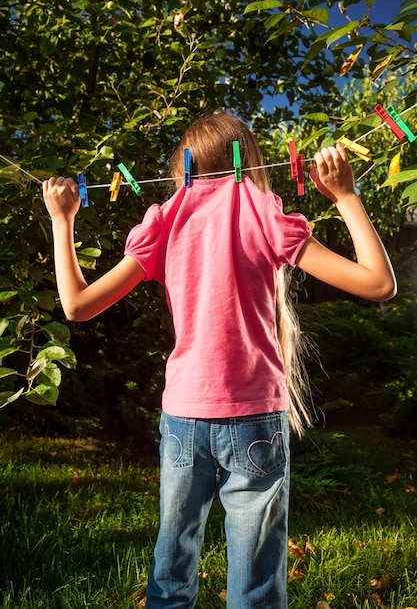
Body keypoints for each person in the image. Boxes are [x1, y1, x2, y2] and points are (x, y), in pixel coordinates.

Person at [43, 112, 396, 609]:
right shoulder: (261, 211)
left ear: (184, 165)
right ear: (249, 160)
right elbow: (379, 283)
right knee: (255, 582)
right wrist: (346, 196)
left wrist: (63, 221)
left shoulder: (166, 218)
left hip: (184, 415)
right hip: (255, 417)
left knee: (171, 567)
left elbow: (77, 306)